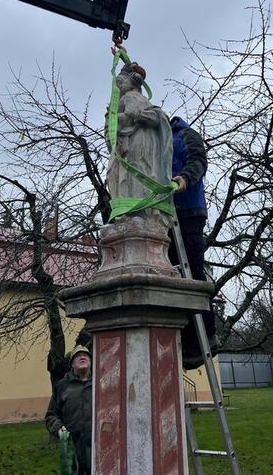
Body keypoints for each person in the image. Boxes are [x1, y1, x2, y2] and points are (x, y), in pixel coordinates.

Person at [167, 115, 220, 369]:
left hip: (188, 212)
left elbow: (198, 160)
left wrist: (184, 179)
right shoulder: (158, 141)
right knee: (174, 277)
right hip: (165, 215)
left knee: (193, 273)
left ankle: (207, 335)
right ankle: (186, 338)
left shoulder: (185, 135)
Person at [104, 62, 173, 231]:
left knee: (136, 172)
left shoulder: (132, 97)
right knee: (126, 173)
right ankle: (134, 212)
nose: (118, 87)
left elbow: (131, 115)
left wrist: (113, 118)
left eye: (121, 83)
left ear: (131, 84)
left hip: (137, 142)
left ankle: (137, 213)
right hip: (130, 142)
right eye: (117, 83)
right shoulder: (127, 98)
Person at [45, 345, 93, 475]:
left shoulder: (100, 384)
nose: (82, 357)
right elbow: (51, 415)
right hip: (72, 452)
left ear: (91, 361)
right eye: (77, 356)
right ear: (72, 364)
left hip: (97, 451)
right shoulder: (62, 386)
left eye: (86, 355)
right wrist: (59, 429)